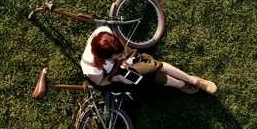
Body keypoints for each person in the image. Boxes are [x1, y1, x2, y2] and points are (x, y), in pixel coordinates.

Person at [79, 26, 217, 94]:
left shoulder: (103, 33)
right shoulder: (92, 68)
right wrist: (116, 79)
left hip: (117, 63)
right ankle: (181, 84)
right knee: (147, 74)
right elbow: (101, 82)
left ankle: (192, 80)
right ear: (106, 57)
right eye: (118, 55)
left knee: (151, 64)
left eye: (121, 52)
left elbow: (120, 53)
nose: (122, 55)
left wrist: (122, 59)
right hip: (111, 78)